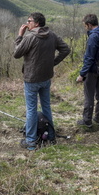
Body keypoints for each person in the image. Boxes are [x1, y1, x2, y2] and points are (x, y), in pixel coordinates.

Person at [13, 12, 70, 150]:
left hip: (31, 79)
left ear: (36, 23)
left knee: (31, 109)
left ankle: (31, 142)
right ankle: (50, 137)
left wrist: (20, 35)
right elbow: (66, 49)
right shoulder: (52, 35)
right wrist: (52, 63)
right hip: (46, 78)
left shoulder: (30, 37)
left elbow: (17, 53)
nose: (27, 23)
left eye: (29, 21)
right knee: (46, 107)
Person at [76, 14, 99, 127]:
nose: (85, 28)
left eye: (85, 25)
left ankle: (87, 121)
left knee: (89, 96)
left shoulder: (94, 36)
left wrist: (82, 74)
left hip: (92, 70)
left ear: (89, 25)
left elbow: (89, 58)